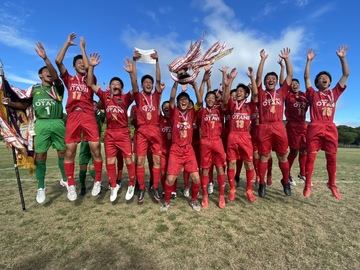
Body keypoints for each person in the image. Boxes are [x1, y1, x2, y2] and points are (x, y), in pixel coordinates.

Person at [4, 42, 67, 203]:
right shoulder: (35, 90)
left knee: (62, 152)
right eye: (45, 71)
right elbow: (24, 105)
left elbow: (57, 78)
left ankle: (65, 179)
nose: (48, 73)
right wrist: (9, 103)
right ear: (40, 76)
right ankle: (41, 187)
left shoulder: (57, 89)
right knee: (40, 155)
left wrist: (46, 59)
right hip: (42, 124)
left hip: (58, 122)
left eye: (49, 72)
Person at [55, 33, 103, 201]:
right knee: (70, 151)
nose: (82, 64)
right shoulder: (69, 78)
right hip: (73, 115)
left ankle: (98, 180)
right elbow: (58, 62)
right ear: (74, 66)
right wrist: (67, 44)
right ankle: (70, 184)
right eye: (79, 63)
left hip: (88, 115)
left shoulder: (91, 78)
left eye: (84, 63)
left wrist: (83, 49)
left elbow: (90, 71)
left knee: (96, 148)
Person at [87, 53, 137, 202]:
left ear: (121, 88)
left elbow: (135, 88)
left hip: (123, 133)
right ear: (110, 87)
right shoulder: (105, 97)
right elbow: (90, 84)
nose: (115, 85)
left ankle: (132, 184)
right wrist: (91, 67)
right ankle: (113, 186)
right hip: (109, 134)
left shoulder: (126, 98)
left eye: (118, 84)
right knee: (110, 161)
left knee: (128, 160)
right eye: (113, 83)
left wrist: (131, 73)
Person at [303, 45, 349, 199]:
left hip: (329, 127)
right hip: (315, 126)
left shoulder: (334, 93)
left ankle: (332, 184)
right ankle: (308, 183)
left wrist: (342, 58)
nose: (324, 78)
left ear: (329, 82)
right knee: (311, 156)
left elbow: (346, 74)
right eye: (321, 78)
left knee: (332, 157)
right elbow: (306, 78)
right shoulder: (312, 94)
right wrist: (308, 61)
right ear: (317, 83)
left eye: (327, 78)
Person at [255, 48, 293, 198]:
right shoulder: (261, 93)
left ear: (277, 82)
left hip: (278, 126)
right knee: (264, 157)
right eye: (267, 79)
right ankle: (262, 183)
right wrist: (262, 59)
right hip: (264, 127)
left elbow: (290, 75)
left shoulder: (282, 92)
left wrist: (286, 59)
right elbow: (258, 75)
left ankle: (285, 181)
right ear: (265, 82)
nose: (270, 80)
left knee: (282, 156)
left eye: (273, 79)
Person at [160, 80, 203, 212]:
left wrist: (195, 86)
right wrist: (176, 82)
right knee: (170, 179)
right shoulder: (174, 113)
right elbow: (172, 97)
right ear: (178, 103)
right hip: (176, 149)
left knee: (196, 178)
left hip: (188, 150)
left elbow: (200, 103)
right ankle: (166, 202)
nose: (183, 101)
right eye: (181, 100)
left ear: (188, 103)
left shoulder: (192, 113)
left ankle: (194, 200)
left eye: (186, 99)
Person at [130, 50, 163, 203]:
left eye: (150, 83)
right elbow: (134, 81)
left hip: (155, 130)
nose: (149, 84)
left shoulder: (156, 95)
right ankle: (142, 188)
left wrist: (157, 61)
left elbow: (158, 79)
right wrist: (134, 62)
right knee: (140, 161)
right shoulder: (138, 96)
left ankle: (155, 187)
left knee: (156, 161)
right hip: (142, 131)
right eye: (146, 83)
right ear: (143, 85)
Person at [222, 66, 258, 203]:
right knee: (231, 163)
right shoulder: (232, 105)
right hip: (232, 135)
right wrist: (230, 80)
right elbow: (225, 99)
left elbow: (255, 95)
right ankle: (232, 188)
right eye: (237, 91)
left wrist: (252, 78)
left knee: (249, 164)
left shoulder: (250, 106)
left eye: (241, 91)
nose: (238, 93)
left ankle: (249, 189)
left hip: (244, 136)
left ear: (246, 94)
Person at [197, 69, 227, 208]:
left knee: (220, 168)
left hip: (217, 141)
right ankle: (204, 195)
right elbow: (201, 96)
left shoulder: (219, 110)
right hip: (205, 141)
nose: (210, 99)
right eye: (208, 98)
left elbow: (225, 98)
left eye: (212, 98)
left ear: (216, 100)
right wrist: (203, 79)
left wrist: (224, 76)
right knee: (204, 169)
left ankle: (221, 196)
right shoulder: (202, 111)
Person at [78, 101, 105, 196]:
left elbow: (101, 112)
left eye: (94, 105)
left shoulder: (100, 116)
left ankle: (98, 185)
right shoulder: (84, 116)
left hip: (95, 143)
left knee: (93, 168)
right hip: (84, 144)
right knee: (83, 170)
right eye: (91, 105)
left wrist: (96, 108)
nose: (92, 107)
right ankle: (83, 187)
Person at [285, 78, 309, 186]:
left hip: (303, 124)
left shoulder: (304, 95)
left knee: (304, 149)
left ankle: (302, 173)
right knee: (294, 151)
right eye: (292, 83)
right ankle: (287, 175)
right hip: (292, 125)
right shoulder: (287, 95)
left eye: (296, 83)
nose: (295, 85)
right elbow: (283, 83)